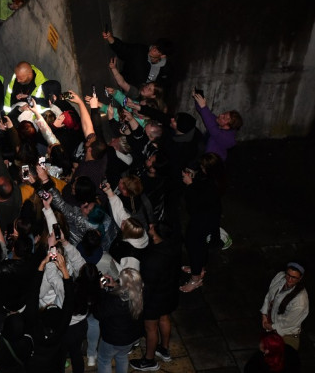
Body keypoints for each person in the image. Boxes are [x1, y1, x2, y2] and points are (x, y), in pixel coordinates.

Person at [129, 221, 181, 371]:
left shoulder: (154, 259)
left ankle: (149, 360)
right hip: (169, 293)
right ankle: (164, 349)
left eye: (153, 227)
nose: (150, 226)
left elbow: (148, 287)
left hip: (155, 299)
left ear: (157, 235)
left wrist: (140, 303)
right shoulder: (173, 246)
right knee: (164, 318)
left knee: (151, 328)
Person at [179, 153, 225, 293]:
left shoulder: (211, 186)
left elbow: (196, 205)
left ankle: (195, 278)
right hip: (207, 218)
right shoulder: (214, 179)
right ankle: (199, 268)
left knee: (194, 248)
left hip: (202, 220)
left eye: (203, 166)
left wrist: (190, 185)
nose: (201, 168)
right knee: (201, 246)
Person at [96, 268, 144, 373]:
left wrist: (102, 290)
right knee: (122, 357)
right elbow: (128, 293)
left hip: (112, 339)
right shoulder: (140, 294)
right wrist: (116, 286)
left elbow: (99, 313)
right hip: (130, 338)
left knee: (104, 360)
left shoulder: (115, 300)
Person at [260, 263, 309, 350]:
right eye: (288, 275)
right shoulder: (280, 277)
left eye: (294, 277)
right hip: (271, 328)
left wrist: (270, 326)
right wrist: (264, 315)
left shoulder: (300, 301)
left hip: (287, 335)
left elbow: (288, 324)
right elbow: (269, 296)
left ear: (300, 278)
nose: (289, 279)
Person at [102, 33, 173, 90]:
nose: (153, 49)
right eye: (155, 46)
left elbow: (159, 88)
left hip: (136, 97)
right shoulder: (140, 50)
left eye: (158, 50)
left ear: (162, 56)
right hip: (120, 85)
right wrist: (110, 38)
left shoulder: (163, 69)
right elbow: (123, 49)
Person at [193, 90, 243, 161]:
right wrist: (197, 98)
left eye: (224, 117)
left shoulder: (226, 138)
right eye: (224, 114)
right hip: (205, 146)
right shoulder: (221, 124)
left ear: (227, 126)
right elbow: (207, 114)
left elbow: (212, 128)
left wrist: (203, 106)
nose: (220, 115)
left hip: (211, 162)